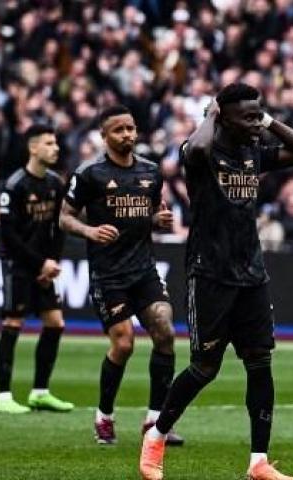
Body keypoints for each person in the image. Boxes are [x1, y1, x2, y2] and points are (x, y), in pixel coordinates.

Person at [139, 83, 293, 480]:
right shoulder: (201, 152)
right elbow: (198, 148)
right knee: (204, 368)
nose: (257, 123)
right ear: (224, 117)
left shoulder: (254, 151)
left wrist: (267, 120)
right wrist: (210, 115)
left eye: (260, 115)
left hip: (251, 273)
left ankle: (259, 462)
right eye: (249, 117)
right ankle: (157, 436)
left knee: (260, 363)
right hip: (210, 274)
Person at [59, 105, 183, 446]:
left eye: (131, 128)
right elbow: (64, 218)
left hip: (143, 268)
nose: (127, 134)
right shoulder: (89, 174)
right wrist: (89, 230)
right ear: (104, 135)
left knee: (165, 331)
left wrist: (159, 221)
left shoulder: (151, 172)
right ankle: (104, 416)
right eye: (119, 130)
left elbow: (153, 211)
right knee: (124, 342)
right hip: (107, 273)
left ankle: (155, 422)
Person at [0, 125, 72, 413]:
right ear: (33, 148)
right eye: (50, 144)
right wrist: (41, 264)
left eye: (56, 143)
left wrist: (51, 262)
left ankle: (40, 391)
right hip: (18, 265)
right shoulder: (14, 186)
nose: (56, 148)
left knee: (55, 323)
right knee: (13, 322)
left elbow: (60, 227)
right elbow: (9, 235)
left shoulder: (55, 183)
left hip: (43, 267)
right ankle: (3, 396)